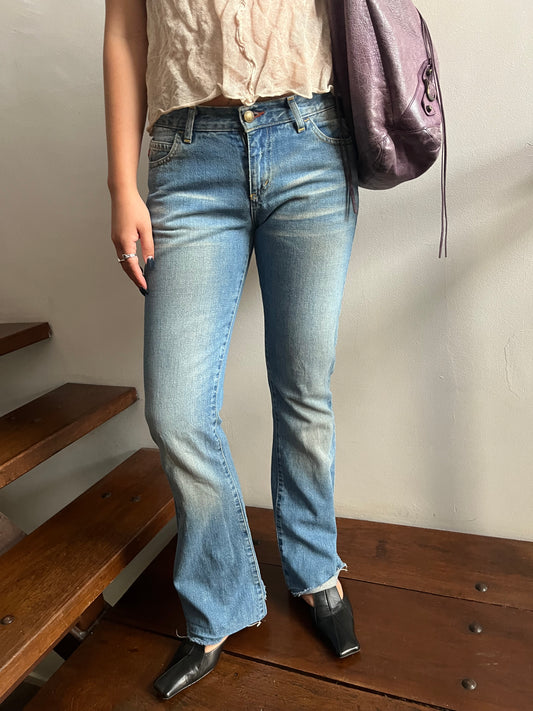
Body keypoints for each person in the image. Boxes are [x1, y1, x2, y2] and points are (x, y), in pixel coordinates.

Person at [103, 0, 360, 699]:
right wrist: (122, 183)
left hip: (311, 137)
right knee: (177, 411)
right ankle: (219, 597)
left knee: (304, 385)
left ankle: (316, 568)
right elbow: (125, 29)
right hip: (188, 155)